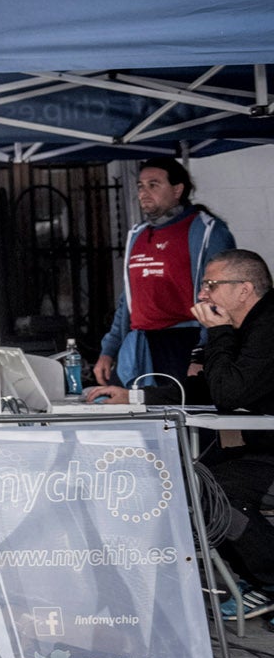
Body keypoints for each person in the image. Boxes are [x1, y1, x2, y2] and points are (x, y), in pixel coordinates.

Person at [87, 249, 274, 600]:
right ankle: (250, 579)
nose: (202, 294)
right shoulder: (245, 327)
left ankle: (268, 582)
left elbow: (229, 393)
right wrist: (134, 397)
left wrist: (217, 333)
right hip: (261, 446)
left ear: (244, 289)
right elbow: (207, 387)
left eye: (211, 285)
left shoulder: (266, 327)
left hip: (267, 450)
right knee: (188, 482)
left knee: (215, 491)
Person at [96, 158, 234, 395]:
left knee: (186, 422)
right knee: (141, 421)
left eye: (153, 185)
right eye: (140, 186)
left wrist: (204, 352)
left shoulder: (207, 230)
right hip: (141, 344)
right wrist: (109, 350)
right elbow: (128, 300)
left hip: (186, 340)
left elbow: (222, 294)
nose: (144, 192)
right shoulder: (137, 234)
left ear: (177, 189)